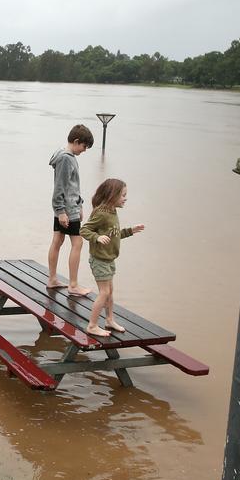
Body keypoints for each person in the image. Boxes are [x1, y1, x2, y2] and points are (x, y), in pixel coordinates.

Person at [79, 178, 145, 337]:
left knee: (110, 291)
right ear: (112, 195)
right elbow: (84, 230)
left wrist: (130, 231)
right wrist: (96, 237)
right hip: (99, 260)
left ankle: (109, 319)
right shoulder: (102, 213)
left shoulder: (112, 212)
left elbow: (114, 235)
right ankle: (92, 325)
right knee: (104, 292)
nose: (125, 198)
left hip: (109, 259)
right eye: (123, 195)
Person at [47, 124, 95, 296]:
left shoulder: (62, 154)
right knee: (78, 243)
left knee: (58, 240)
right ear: (76, 141)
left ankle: (52, 279)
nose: (84, 150)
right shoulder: (67, 159)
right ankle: (73, 285)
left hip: (67, 207)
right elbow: (60, 187)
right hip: (66, 209)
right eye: (84, 146)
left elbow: (72, 186)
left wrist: (79, 204)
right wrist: (61, 211)